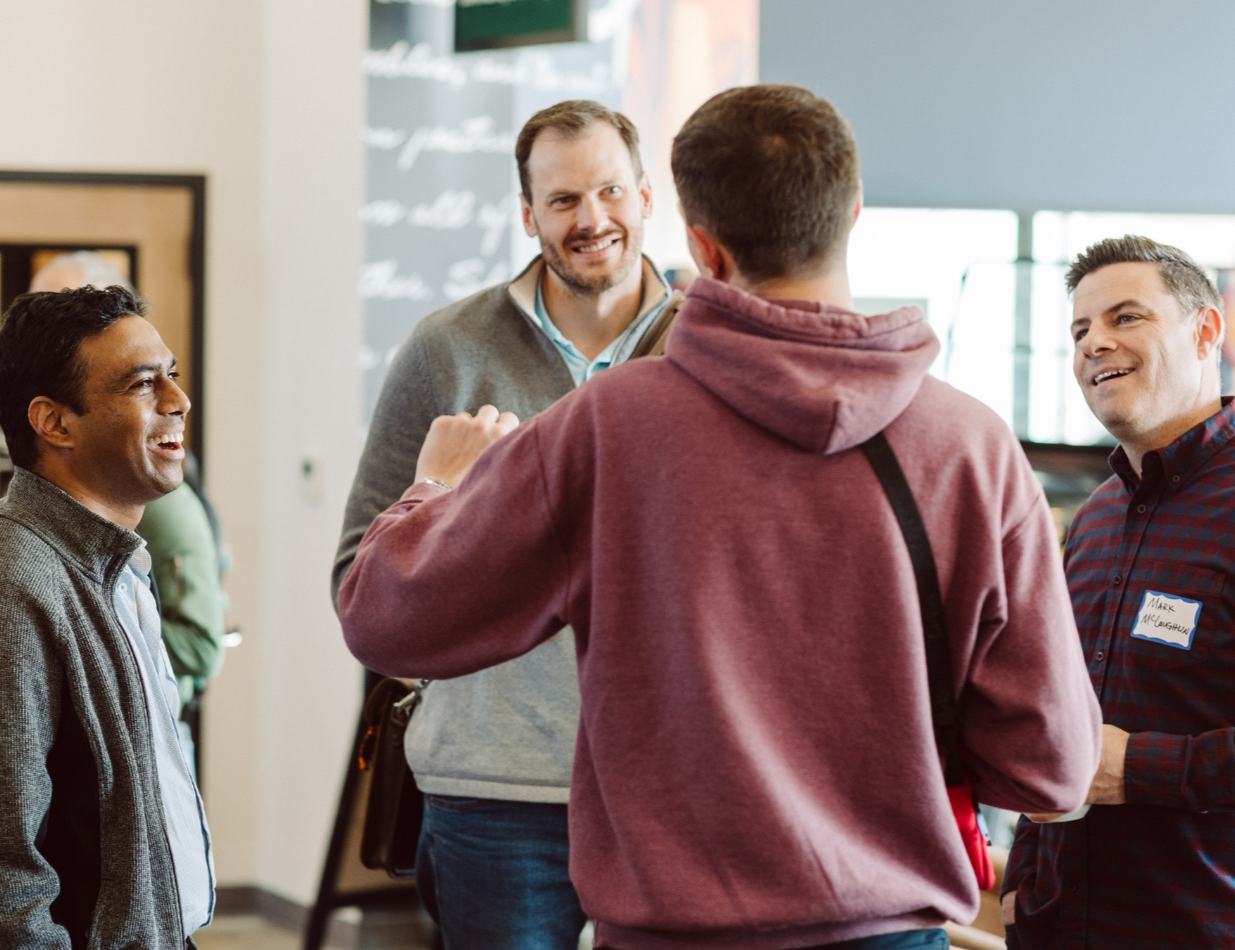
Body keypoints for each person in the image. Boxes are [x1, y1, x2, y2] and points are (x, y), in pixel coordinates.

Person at [338, 84, 1102, 950]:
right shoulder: (969, 444)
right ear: (852, 211)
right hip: (889, 928)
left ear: (698, 243)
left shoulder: (605, 427)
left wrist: (433, 488)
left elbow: (383, 618)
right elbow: (1054, 768)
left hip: (672, 928)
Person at [333, 99, 677, 948]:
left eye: (608, 192)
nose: (590, 220)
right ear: (527, 215)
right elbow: (358, 576)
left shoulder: (710, 344)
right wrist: (447, 495)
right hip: (494, 792)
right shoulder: (444, 350)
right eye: (562, 201)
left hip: (676, 781)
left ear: (644, 196)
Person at [1002, 236, 1235, 949]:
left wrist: (1135, 770)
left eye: (1124, 318)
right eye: (1079, 330)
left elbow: (1102, 760)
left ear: (1204, 332)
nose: (1093, 343)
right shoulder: (1095, 517)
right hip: (1058, 925)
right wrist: (1019, 888)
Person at [0, 286, 214, 948]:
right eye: (142, 384)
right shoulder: (19, 583)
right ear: (55, 423)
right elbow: (9, 864)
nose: (177, 401)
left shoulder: (120, 565)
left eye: (171, 375)